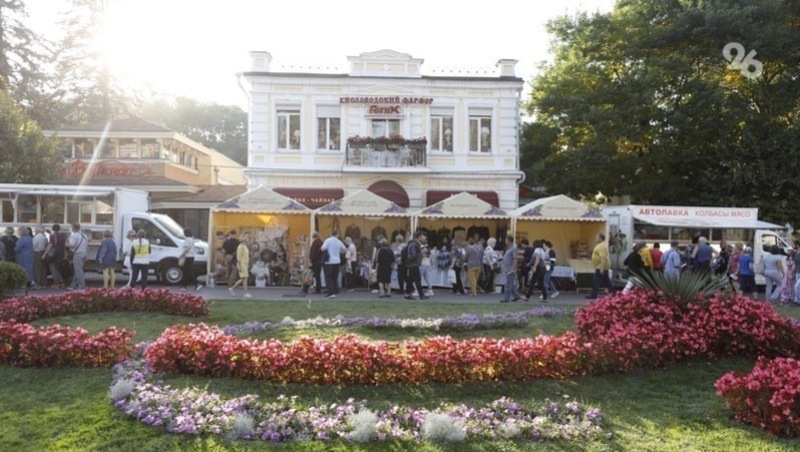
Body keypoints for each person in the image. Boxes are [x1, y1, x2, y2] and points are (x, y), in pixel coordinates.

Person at [321, 230, 346, 299]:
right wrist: (339, 252)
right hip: (337, 261)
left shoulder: (328, 240)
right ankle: (335, 290)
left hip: (329, 262)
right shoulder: (339, 241)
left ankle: (331, 292)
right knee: (335, 277)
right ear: (337, 235)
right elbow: (344, 249)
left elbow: (322, 248)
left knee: (328, 277)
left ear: (330, 234)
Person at [587, 233, 613, 299]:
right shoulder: (601, 245)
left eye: (597, 237)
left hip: (600, 266)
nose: (595, 239)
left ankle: (593, 294)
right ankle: (613, 293)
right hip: (601, 266)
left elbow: (603, 257)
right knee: (607, 281)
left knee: (596, 280)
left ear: (600, 238)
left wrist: (602, 268)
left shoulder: (601, 246)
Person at [404, 231, 427, 300]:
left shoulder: (414, 244)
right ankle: (421, 295)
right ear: (419, 237)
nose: (424, 238)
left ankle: (407, 294)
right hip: (414, 264)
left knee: (410, 280)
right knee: (417, 279)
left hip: (412, 264)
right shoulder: (414, 245)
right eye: (422, 236)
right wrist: (421, 253)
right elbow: (412, 255)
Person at [67, 223, 88, 291]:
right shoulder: (84, 235)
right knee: (78, 270)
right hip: (84, 253)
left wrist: (66, 244)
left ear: (73, 228)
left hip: (77, 253)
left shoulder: (73, 236)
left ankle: (81, 286)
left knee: (78, 271)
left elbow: (72, 245)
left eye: (71, 227)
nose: (70, 228)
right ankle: (72, 285)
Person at [501, 236, 522, 303]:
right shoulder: (508, 249)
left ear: (509, 241)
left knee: (508, 284)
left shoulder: (513, 249)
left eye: (506, 240)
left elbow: (515, 259)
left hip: (510, 269)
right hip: (507, 268)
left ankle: (506, 299)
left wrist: (513, 268)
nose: (505, 242)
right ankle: (516, 296)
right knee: (511, 284)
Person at [45, 224, 66, 288]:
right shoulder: (63, 235)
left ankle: (56, 283)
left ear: (52, 229)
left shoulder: (52, 236)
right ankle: (61, 283)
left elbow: (50, 245)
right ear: (59, 229)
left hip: (54, 255)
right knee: (58, 269)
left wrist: (45, 253)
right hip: (61, 254)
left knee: (53, 269)